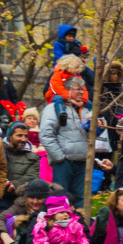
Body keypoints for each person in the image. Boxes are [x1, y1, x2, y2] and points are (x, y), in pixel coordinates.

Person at [39, 80, 90, 208]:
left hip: (82, 162)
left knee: (79, 200)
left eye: (82, 89)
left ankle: (78, 226)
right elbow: (46, 135)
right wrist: (60, 158)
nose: (81, 92)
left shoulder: (86, 108)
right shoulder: (53, 108)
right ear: (67, 90)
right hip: (63, 163)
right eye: (77, 89)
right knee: (60, 199)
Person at [0, 178, 53, 244]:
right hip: (25, 241)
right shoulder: (22, 203)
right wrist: (4, 235)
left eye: (39, 198)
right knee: (12, 220)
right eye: (31, 198)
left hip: (48, 242)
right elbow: (0, 218)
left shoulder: (55, 206)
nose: (35, 201)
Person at [4, 122, 41, 192]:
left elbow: (31, 178)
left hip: (19, 196)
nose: (23, 139)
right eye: (19, 135)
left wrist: (9, 186)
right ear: (10, 137)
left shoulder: (33, 158)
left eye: (26, 136)